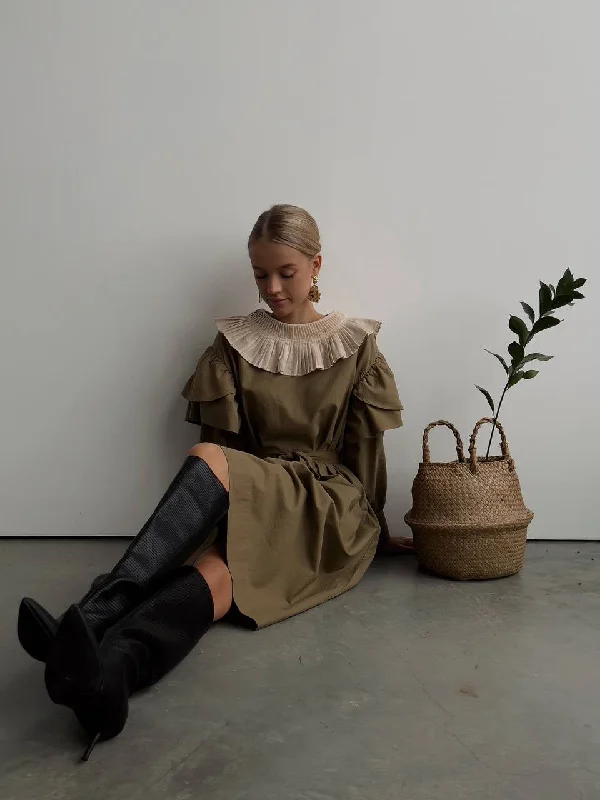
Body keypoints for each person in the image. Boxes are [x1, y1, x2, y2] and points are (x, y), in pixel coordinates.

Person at [17, 204, 411, 760]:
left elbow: (366, 451)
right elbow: (217, 462)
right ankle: (113, 678)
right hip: (261, 492)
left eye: (286, 273)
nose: (271, 287)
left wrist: (378, 525)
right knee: (218, 577)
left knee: (212, 470)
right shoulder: (235, 343)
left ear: (316, 265)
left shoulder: (355, 344)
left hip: (328, 504)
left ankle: (93, 613)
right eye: (259, 274)